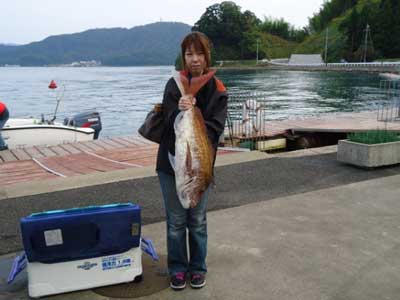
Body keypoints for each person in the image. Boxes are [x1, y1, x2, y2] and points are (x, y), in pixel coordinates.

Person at [156, 31, 228, 290]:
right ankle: (177, 268)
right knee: (176, 221)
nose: (195, 59)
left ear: (207, 55)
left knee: (197, 221)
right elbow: (166, 121)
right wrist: (180, 109)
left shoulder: (218, 88)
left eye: (199, 53)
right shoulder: (174, 84)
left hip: (200, 166)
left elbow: (216, 128)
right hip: (170, 164)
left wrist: (194, 113)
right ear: (183, 56)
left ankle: (197, 268)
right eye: (189, 54)